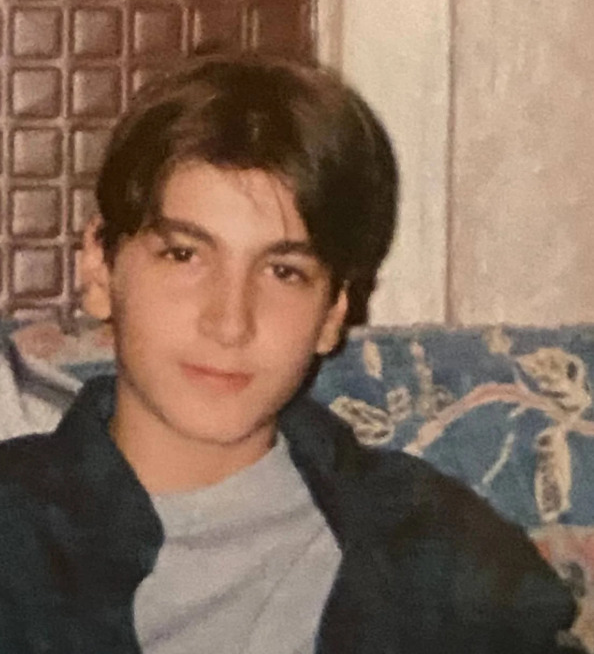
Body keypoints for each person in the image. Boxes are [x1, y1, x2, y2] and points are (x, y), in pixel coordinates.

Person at [0, 52, 581, 654]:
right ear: (100, 267)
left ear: (332, 312)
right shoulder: (13, 537)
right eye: (184, 255)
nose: (230, 322)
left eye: (283, 271)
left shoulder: (434, 552)